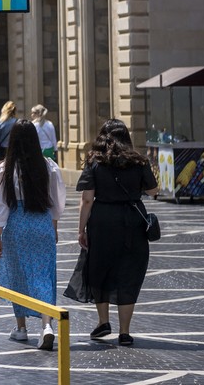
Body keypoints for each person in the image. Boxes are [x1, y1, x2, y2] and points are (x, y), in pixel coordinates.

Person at [76, 118, 158, 347]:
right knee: (130, 273)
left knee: (100, 269)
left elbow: (87, 199)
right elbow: (153, 191)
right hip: (132, 221)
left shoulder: (94, 161)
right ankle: (125, 332)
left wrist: (80, 229)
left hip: (102, 221)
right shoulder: (139, 161)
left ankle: (103, 322)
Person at [0, 119, 66, 350]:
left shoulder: (4, 169)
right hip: (41, 221)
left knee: (18, 274)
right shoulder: (48, 166)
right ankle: (46, 325)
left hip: (17, 223)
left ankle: (21, 328)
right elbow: (57, 202)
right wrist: (54, 227)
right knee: (43, 274)